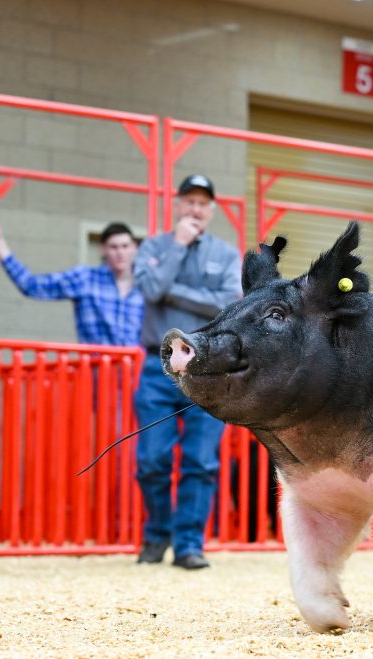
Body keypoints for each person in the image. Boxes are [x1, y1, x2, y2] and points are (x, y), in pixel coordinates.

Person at [133, 174, 242, 570]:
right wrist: (177, 247)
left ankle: (188, 545)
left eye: (203, 203)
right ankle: (156, 535)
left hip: (208, 369)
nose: (195, 209)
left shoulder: (227, 254)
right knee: (151, 460)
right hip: (156, 366)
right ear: (178, 205)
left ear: (212, 210)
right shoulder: (156, 246)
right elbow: (148, 291)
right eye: (189, 201)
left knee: (201, 461)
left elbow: (228, 306)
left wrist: (173, 290)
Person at [0, 220, 143, 347]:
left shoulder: (146, 286)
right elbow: (32, 285)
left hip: (138, 379)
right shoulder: (85, 278)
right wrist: (0, 245)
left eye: (125, 246)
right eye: (114, 247)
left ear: (134, 248)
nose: (120, 252)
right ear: (103, 250)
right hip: (97, 377)